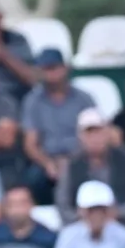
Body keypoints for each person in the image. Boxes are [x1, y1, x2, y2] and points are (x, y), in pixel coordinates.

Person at [21, 50, 99, 203]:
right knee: (32, 179)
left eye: (53, 68)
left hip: (80, 158)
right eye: (45, 69)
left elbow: (93, 135)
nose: (50, 74)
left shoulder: (84, 99)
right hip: (46, 162)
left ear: (64, 68)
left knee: (96, 173)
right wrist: (48, 163)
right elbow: (30, 144)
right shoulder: (33, 101)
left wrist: (71, 162)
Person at [59, 110, 125, 225]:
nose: (95, 138)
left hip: (123, 225)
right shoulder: (71, 164)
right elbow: (62, 202)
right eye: (89, 133)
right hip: (82, 227)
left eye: (99, 132)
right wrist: (80, 218)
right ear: (80, 137)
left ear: (108, 133)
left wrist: (120, 213)